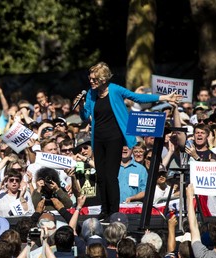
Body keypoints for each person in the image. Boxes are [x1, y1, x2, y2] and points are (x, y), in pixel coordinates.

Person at [77, 62, 181, 220]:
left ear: (103, 79)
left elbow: (137, 97)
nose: (91, 81)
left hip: (114, 137)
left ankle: (114, 211)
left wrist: (164, 97)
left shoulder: (115, 89)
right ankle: (104, 210)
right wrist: (80, 105)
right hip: (98, 138)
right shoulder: (91, 94)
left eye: (94, 79)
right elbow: (85, 116)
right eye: (90, 78)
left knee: (111, 176)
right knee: (101, 176)